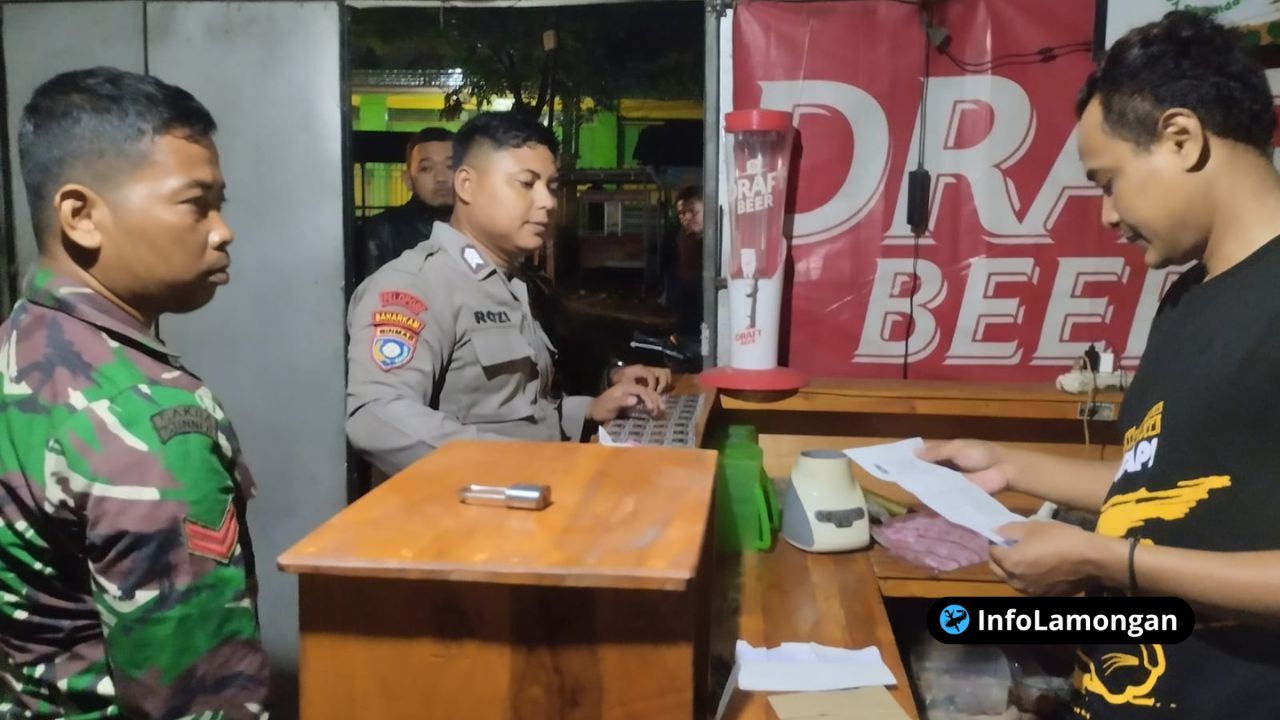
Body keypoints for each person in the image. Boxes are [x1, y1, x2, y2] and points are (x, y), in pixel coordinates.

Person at [918, 11, 1280, 718]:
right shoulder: (1188, 297)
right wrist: (1007, 466)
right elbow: (1173, 481)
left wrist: (1102, 560)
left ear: (1181, 138)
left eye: (1108, 180)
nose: (1108, 215)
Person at [1, 67, 269, 718]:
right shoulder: (148, 421)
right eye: (195, 203)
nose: (222, 230)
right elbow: (197, 700)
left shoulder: (19, 347)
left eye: (220, 203)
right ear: (82, 215)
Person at [346, 112, 669, 475]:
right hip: (462, 514)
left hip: (530, 498)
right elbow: (376, 417)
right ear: (466, 185)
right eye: (526, 183)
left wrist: (589, 410)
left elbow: (515, 414)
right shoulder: (415, 284)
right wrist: (530, 465)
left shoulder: (514, 285)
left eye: (551, 186)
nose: (547, 201)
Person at [358, 126, 455, 279]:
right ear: (408, 180)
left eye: (451, 166)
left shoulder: (482, 226)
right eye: (426, 168)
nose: (441, 178)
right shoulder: (385, 229)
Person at [664, 185, 704, 362]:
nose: (686, 218)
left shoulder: (717, 241)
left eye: (691, 211)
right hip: (687, 323)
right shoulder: (682, 241)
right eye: (681, 213)